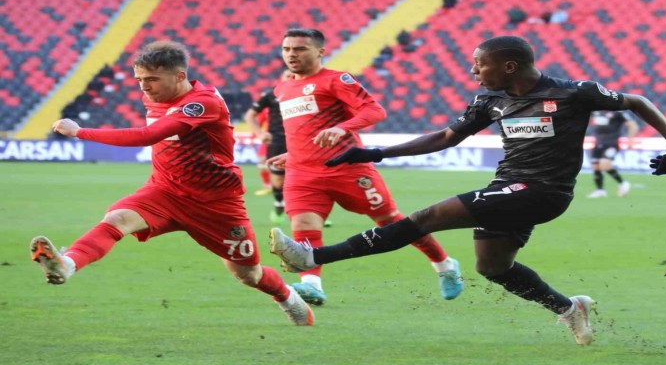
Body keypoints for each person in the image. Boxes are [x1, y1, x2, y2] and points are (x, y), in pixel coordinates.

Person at [270, 35, 666, 345]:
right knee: (493, 268)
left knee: (426, 217)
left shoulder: (573, 92)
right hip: (509, 188)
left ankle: (313, 257)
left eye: (479, 64)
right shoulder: (490, 101)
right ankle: (569, 308)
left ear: (508, 65)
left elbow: (636, 101)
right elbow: (446, 137)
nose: (473, 71)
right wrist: (377, 152)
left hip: (545, 191)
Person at [32, 40, 314, 327]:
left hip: (214, 203)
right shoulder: (155, 96)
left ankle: (287, 297)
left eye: (152, 79)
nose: (144, 86)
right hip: (164, 191)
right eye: (139, 79)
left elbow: (147, 136)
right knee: (116, 219)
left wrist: (80, 132)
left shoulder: (202, 103)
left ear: (180, 76)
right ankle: (66, 265)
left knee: (248, 275)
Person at [266, 28, 463, 306]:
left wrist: (342, 127)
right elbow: (305, 128)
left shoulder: (336, 80)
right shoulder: (283, 88)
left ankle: (444, 264)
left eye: (299, 49)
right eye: (287, 49)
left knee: (392, 224)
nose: (291, 54)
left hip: (348, 168)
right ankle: (311, 285)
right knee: (303, 225)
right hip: (302, 172)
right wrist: (294, 152)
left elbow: (374, 110)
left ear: (320, 52)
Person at [245, 70, 290, 224]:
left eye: (293, 76)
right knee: (278, 179)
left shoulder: (307, 93)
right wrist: (260, 134)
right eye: (287, 75)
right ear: (281, 78)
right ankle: (279, 204)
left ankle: (318, 213)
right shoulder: (271, 95)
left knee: (308, 177)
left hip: (301, 140)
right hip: (277, 141)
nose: (291, 78)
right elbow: (250, 115)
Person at [587, 111, 640, 198]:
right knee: (596, 166)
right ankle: (600, 191)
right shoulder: (595, 110)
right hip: (598, 143)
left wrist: (630, 141)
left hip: (611, 144)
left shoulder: (618, 112)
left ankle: (623, 183)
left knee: (605, 164)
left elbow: (633, 125)